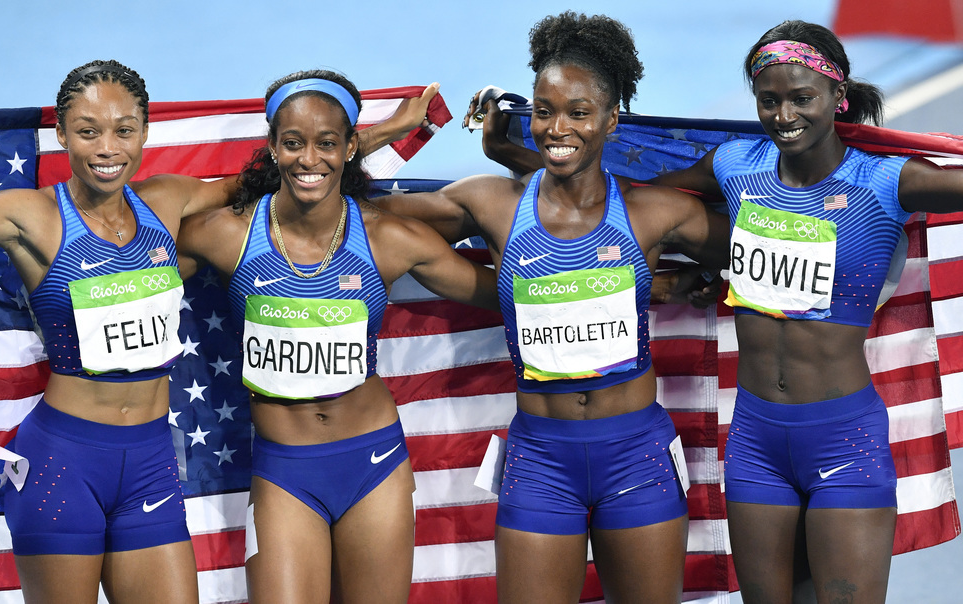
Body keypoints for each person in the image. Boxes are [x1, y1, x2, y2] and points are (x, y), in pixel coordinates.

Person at [472, 18, 963, 604]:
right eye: (769, 101)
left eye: (801, 98)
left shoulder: (886, 180)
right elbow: (620, 199)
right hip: (755, 440)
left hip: (844, 437)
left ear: (840, 96)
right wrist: (508, 149)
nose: (784, 116)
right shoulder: (735, 166)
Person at [0, 59, 437, 604]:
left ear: (145, 132)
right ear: (62, 134)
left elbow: (287, 174)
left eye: (123, 130)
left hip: (148, 467)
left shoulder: (167, 202)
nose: (106, 148)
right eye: (87, 131)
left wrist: (378, 136)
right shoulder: (30, 213)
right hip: (62, 463)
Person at [375, 12, 729, 604]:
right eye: (544, 111)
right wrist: (386, 131)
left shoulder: (655, 213)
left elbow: (761, 240)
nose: (557, 126)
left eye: (578, 113)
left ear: (613, 121)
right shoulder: (490, 204)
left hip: (636, 455)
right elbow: (354, 214)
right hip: (541, 460)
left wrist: (684, 282)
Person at [175, 69, 499, 604]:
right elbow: (134, 276)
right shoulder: (226, 233)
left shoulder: (389, 238)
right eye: (293, 143)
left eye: (328, 143)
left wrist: (652, 282)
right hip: (284, 471)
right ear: (273, 146)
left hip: (372, 462)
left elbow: (504, 294)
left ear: (351, 146)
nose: (309, 159)